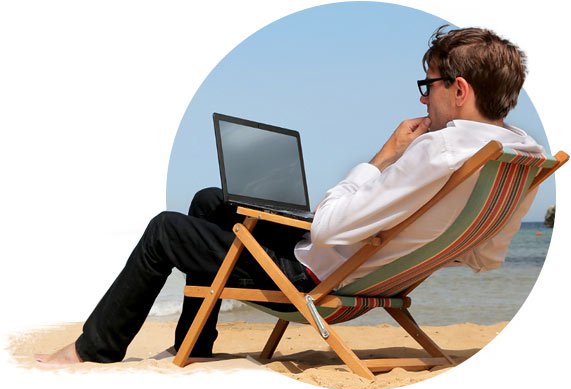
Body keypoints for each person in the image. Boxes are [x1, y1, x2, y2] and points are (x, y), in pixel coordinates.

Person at [36, 25, 545, 366]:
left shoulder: (439, 150)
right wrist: (413, 248)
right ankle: (195, 344)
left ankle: (92, 351)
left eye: (427, 85)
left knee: (165, 231)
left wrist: (383, 156)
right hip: (360, 268)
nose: (422, 97)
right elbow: (484, 257)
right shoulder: (520, 155)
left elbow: (326, 224)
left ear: (459, 90)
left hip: (311, 277)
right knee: (211, 200)